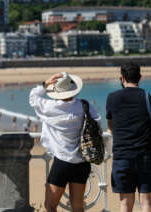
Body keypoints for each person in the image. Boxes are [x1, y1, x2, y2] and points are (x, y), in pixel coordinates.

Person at [106, 62, 151, 212]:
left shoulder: (112, 98)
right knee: (147, 203)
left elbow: (111, 126)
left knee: (125, 203)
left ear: (122, 78)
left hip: (122, 157)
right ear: (140, 78)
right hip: (146, 157)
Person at [29, 72, 101, 212]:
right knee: (78, 206)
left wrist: (45, 84)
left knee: (50, 206)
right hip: (82, 161)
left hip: (62, 162)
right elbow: (97, 123)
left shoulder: (50, 107)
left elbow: (33, 97)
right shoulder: (84, 105)